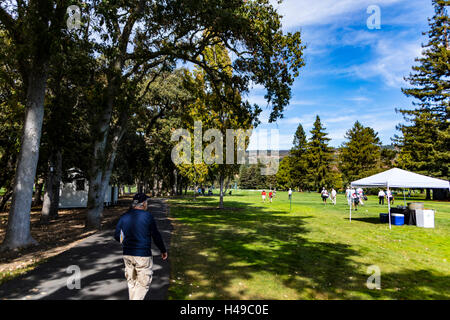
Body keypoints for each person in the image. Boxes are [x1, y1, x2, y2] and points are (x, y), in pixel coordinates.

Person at [114, 193, 168, 300]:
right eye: (146, 202)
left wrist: (125, 241)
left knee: (132, 283)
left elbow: (117, 236)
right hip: (142, 256)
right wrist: (163, 250)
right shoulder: (147, 216)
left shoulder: (124, 217)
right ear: (143, 204)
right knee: (143, 285)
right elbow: (156, 235)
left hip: (127, 255)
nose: (147, 204)